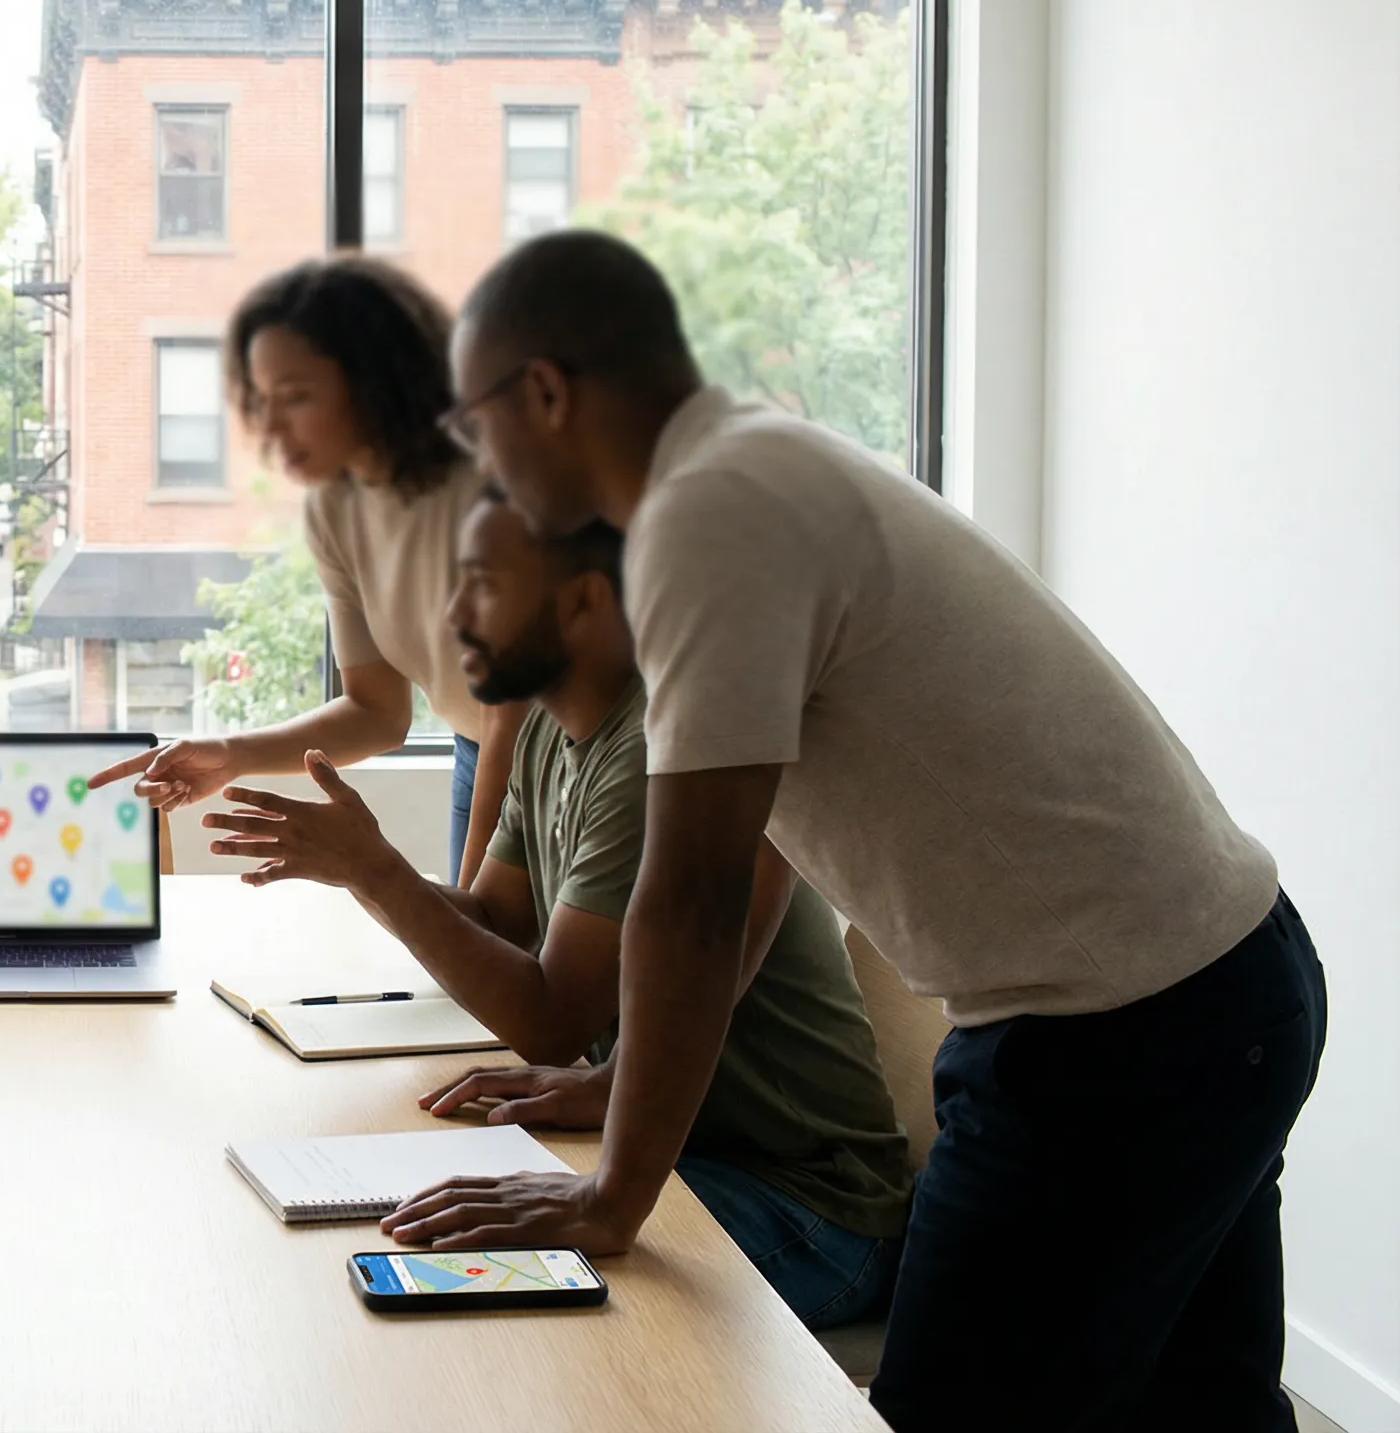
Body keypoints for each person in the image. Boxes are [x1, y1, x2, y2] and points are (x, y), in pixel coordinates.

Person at [406, 230, 1325, 1430]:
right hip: (1229, 984)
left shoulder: (705, 519)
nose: (478, 460)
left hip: (1114, 1042)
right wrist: (619, 1085)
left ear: (542, 392)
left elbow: (691, 902)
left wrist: (612, 1196)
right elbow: (765, 859)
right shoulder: (754, 467)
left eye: (473, 423)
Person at [205, 488, 912, 1328]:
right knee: (401, 1250)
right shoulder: (549, 728)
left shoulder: (653, 750)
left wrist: (380, 872)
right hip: (678, 1156)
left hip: (806, 1204)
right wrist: (356, 867)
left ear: (584, 598)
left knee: (462, 1284)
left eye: (481, 585)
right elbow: (498, 922)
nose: (452, 618)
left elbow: (551, 1020)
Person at [91, 257, 527, 884]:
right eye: (262, 399)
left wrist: (474, 906)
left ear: (374, 383)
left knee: (498, 940)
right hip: (477, 748)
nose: (269, 425)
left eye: (294, 397)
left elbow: (514, 713)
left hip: (575, 755)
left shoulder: (490, 484)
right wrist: (232, 755)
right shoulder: (334, 508)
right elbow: (377, 712)